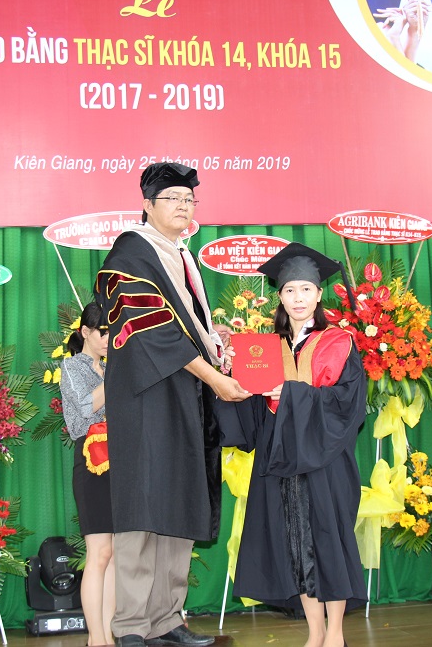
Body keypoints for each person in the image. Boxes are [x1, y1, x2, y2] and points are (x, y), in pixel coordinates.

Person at [94, 162, 249, 647]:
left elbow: (182, 324)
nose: (183, 206)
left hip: (184, 394)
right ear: (147, 204)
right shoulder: (132, 251)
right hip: (148, 397)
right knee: (144, 504)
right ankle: (131, 625)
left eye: (189, 199)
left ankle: (166, 619)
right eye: (173, 198)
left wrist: (213, 341)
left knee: (180, 500)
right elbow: (153, 329)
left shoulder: (181, 255)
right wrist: (214, 378)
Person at [214, 243, 368, 647]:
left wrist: (296, 395)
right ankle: (314, 634)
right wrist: (229, 372)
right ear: (279, 297)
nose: (298, 298)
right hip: (280, 457)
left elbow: (349, 404)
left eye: (305, 290)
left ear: (319, 295)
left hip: (325, 459)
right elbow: (250, 406)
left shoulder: (339, 342)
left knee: (329, 541)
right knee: (295, 544)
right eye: (289, 291)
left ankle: (335, 634)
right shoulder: (266, 349)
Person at [59, 302, 114, 646]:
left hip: (122, 457)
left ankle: (109, 634)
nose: (109, 339)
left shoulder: (110, 366)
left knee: (117, 554)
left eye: (113, 332)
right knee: (99, 552)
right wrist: (118, 372)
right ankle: (96, 638)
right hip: (92, 456)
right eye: (102, 332)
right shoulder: (72, 366)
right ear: (85, 332)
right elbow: (84, 407)